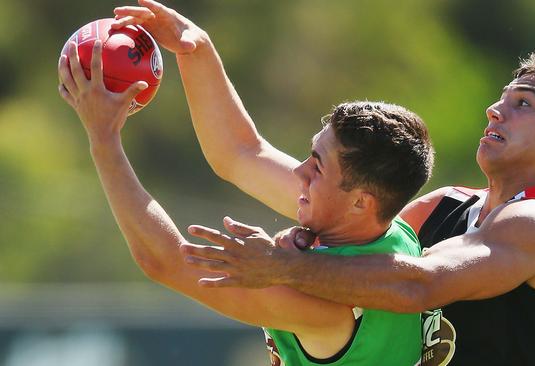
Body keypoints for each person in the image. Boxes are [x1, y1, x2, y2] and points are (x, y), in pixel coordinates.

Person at [97, 1, 535, 365]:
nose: (496, 109)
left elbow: (418, 284)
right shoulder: (445, 209)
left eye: (522, 104)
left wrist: (280, 266)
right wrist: (197, 52)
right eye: (504, 96)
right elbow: (245, 157)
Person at [57, 27, 433, 365]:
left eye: (317, 166)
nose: (300, 171)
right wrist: (193, 48)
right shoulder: (386, 228)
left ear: (360, 202)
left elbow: (165, 261)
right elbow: (241, 153)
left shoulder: (329, 307)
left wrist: (104, 141)